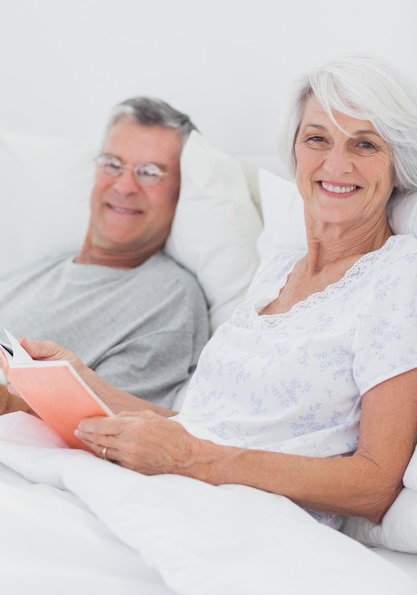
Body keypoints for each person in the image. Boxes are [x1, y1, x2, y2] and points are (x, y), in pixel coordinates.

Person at [9, 54, 417, 530]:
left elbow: (374, 484)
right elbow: (199, 425)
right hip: (178, 492)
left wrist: (195, 462)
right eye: (317, 139)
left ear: (397, 164)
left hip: (246, 521)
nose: (336, 164)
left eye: (364, 144)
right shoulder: (277, 271)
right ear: (295, 151)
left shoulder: (399, 275)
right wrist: (80, 379)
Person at [0, 97, 209, 413]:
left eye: (150, 172)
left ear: (181, 190)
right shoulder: (39, 269)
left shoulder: (169, 295)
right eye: (113, 164)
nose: (125, 186)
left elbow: (104, 427)